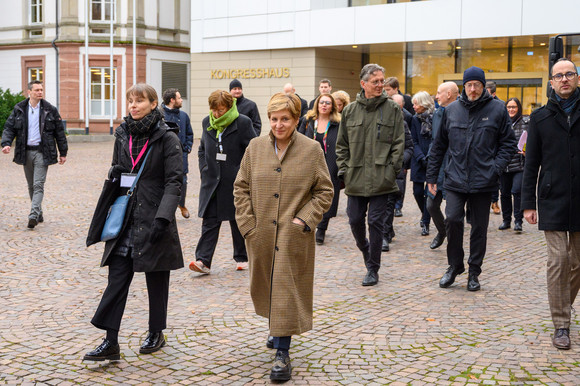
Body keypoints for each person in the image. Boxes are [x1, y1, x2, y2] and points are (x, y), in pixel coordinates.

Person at [233, 93, 333, 381]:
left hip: (293, 235)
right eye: (274, 119)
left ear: (296, 120)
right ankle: (276, 329)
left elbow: (325, 191)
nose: (279, 125)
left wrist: (305, 219)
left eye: (285, 119)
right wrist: (248, 225)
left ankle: (282, 352)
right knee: (265, 285)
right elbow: (240, 187)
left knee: (286, 288)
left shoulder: (312, 149)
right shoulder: (254, 148)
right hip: (261, 232)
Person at [84, 83, 184, 361]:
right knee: (116, 277)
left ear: (154, 104)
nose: (133, 105)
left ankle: (156, 332)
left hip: (155, 216)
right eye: (130, 100)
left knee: (156, 277)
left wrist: (164, 217)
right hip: (126, 216)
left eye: (139, 100)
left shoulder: (167, 138)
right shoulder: (122, 134)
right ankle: (110, 341)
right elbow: (119, 167)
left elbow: (174, 181)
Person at [426, 66, 516, 292]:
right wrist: (431, 176)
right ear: (463, 87)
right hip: (455, 178)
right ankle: (454, 266)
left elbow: (509, 144)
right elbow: (439, 146)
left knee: (478, 228)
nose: (473, 89)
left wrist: (496, 168)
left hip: (484, 181)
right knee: (453, 220)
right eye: (469, 85)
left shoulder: (497, 109)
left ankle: (474, 271)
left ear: (483, 86)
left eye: (477, 84)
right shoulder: (452, 110)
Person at [521, 58, 580, 350]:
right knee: (558, 261)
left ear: (577, 78)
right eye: (559, 76)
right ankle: (561, 324)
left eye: (570, 74)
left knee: (578, 262)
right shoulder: (540, 117)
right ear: (552, 82)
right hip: (552, 198)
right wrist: (527, 204)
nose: (565, 79)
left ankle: (562, 304)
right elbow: (531, 164)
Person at [336, 63, 405, 286]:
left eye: (381, 81)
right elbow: (342, 145)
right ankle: (366, 251)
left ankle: (373, 268)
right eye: (375, 81)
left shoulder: (393, 109)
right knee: (355, 220)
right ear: (363, 83)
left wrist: (391, 170)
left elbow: (398, 142)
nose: (379, 85)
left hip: (381, 177)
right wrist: (344, 171)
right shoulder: (350, 110)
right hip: (355, 177)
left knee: (376, 222)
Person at [189, 90, 256, 274]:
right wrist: (204, 168)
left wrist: (244, 174)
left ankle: (242, 257)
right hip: (211, 181)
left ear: (229, 107)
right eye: (214, 110)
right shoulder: (206, 122)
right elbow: (202, 149)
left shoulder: (243, 122)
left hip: (235, 181)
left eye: (221, 110)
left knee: (237, 220)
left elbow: (252, 151)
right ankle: (203, 261)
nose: (217, 114)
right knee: (209, 220)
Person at [1, 80, 68, 229]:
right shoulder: (19, 109)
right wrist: (6, 143)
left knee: (38, 184)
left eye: (41, 90)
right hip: (25, 152)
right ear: (29, 92)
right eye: (37, 90)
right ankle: (39, 211)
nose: (40, 92)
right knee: (31, 185)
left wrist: (63, 153)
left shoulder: (50, 109)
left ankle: (32, 215)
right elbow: (9, 127)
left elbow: (59, 133)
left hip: (42, 152)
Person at [298, 93, 341, 245]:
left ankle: (322, 229)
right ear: (317, 104)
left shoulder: (337, 123)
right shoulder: (308, 120)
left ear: (332, 107)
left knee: (327, 197)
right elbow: (299, 139)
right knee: (309, 195)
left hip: (330, 163)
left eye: (328, 103)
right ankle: (310, 222)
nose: (324, 105)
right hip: (310, 163)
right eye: (321, 102)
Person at [426, 81, 459, 250]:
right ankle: (442, 231)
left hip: (456, 168)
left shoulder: (462, 110)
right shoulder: (438, 113)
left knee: (454, 212)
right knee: (431, 205)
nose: (436, 96)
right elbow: (436, 143)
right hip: (438, 167)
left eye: (439, 93)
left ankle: (454, 242)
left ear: (448, 94)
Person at [382, 93, 414, 252]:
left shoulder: (401, 123)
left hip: (394, 171)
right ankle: (386, 230)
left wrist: (400, 162)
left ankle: (384, 235)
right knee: (378, 205)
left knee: (388, 203)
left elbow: (409, 147)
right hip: (375, 170)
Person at [162, 88, 193, 219]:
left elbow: (189, 134)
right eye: (179, 98)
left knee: (183, 181)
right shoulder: (160, 115)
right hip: (165, 156)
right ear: (172, 100)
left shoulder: (184, 116)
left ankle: (182, 205)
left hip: (182, 155)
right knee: (165, 181)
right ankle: (166, 208)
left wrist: (187, 148)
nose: (181, 100)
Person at [499, 97, 528, 232]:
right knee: (504, 194)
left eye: (514, 107)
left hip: (519, 165)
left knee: (516, 191)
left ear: (519, 108)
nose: (511, 109)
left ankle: (518, 221)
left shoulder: (526, 123)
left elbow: (532, 142)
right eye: (509, 107)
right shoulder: (501, 123)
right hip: (504, 165)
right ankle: (506, 220)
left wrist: (526, 152)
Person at [409, 91, 435, 237]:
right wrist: (420, 157)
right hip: (418, 160)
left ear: (424, 104)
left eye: (416, 103)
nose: (413, 106)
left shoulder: (436, 116)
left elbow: (436, 139)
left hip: (432, 160)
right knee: (417, 192)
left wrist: (430, 157)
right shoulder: (414, 119)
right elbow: (413, 140)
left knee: (429, 194)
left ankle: (426, 222)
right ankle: (424, 213)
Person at [486, 81, 502, 215]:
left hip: (496, 147)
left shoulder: (500, 107)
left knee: (495, 176)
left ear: (494, 94)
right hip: (484, 148)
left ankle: (494, 201)